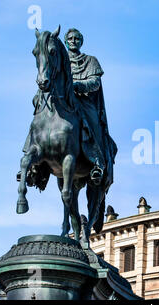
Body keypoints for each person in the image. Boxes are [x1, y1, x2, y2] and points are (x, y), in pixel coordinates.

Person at [64, 28, 117, 186]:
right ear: (66, 42)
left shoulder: (91, 60)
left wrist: (77, 85)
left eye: (77, 38)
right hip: (64, 100)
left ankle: (97, 162)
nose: (73, 41)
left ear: (81, 41)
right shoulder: (59, 60)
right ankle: (32, 163)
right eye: (70, 38)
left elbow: (95, 82)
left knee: (93, 121)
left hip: (84, 100)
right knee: (40, 114)